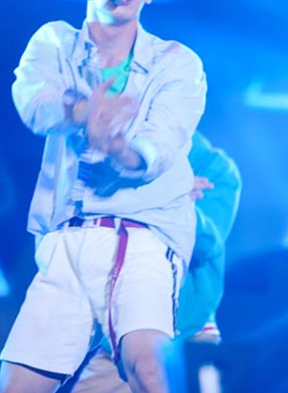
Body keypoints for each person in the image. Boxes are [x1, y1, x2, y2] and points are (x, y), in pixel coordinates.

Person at [0, 0, 207, 393]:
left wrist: (118, 148)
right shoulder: (54, 42)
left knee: (148, 368)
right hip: (66, 240)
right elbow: (34, 101)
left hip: (142, 234)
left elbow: (159, 145)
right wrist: (82, 111)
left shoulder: (177, 63)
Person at [59, 131, 242, 393]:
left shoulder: (215, 168)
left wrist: (169, 200)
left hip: (186, 329)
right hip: (119, 329)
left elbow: (205, 243)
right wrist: (167, 193)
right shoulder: (113, 155)